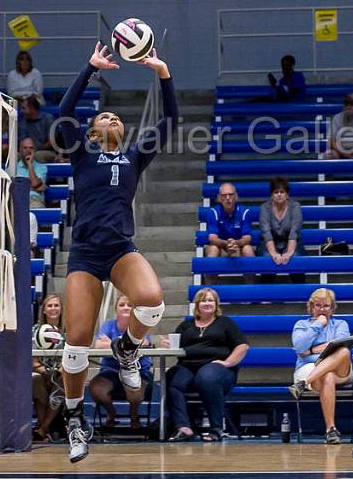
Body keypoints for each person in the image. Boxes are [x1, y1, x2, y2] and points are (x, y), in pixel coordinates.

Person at [55, 41, 177, 462]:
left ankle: (127, 348)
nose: (111, 117)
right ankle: (74, 420)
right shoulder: (82, 154)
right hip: (86, 254)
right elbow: (62, 114)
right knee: (76, 344)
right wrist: (89, 68)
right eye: (103, 115)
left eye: (115, 117)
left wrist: (162, 71)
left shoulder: (134, 158)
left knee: (152, 302)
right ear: (91, 132)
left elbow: (171, 120)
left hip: (120, 248)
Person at [167, 288, 249, 442]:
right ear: (197, 304)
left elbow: (242, 346)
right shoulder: (186, 325)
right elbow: (177, 346)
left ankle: (216, 429)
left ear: (216, 304)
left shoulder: (225, 323)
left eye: (210, 300)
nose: (207, 303)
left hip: (217, 367)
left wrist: (227, 363)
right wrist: (169, 346)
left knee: (206, 378)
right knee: (172, 379)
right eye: (203, 300)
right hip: (188, 365)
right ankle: (183, 427)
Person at [288, 288, 353, 444]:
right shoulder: (301, 325)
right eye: (318, 305)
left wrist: (310, 350)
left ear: (332, 308)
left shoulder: (341, 324)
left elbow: (338, 346)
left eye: (326, 306)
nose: (322, 309)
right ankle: (331, 430)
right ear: (311, 307)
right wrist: (317, 325)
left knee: (344, 351)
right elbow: (299, 347)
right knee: (327, 376)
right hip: (309, 367)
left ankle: (302, 383)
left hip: (340, 370)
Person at [90, 294, 155, 430]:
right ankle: (111, 413)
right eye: (122, 305)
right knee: (96, 388)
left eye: (130, 305)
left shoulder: (140, 326)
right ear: (116, 309)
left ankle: (134, 415)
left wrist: (113, 343)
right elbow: (99, 345)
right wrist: (127, 343)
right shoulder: (108, 325)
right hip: (111, 372)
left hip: (138, 371)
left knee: (134, 388)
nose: (126, 308)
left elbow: (146, 343)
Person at [31, 294, 65, 443]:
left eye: (56, 305)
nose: (53, 309)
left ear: (61, 309)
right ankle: (44, 428)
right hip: (42, 372)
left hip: (61, 373)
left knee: (62, 381)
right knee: (36, 380)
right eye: (49, 306)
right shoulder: (35, 330)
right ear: (43, 310)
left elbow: (72, 359)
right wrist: (46, 372)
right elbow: (33, 361)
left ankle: (43, 429)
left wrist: (58, 371)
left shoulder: (68, 330)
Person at [258, 177, 303, 271]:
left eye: (282, 192)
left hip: (291, 242)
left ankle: (298, 285)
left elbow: (294, 231)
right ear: (271, 195)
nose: (279, 194)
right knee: (268, 257)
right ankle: (266, 285)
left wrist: (289, 252)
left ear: (287, 194)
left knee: (294, 257)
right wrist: (274, 253)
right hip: (269, 243)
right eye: (276, 192)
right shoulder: (264, 208)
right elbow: (266, 233)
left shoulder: (295, 206)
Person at [205, 182, 255, 259]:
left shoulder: (245, 211)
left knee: (247, 249)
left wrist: (235, 243)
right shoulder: (213, 212)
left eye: (230, 195)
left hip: (238, 247)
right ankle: (211, 271)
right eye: (224, 195)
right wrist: (227, 244)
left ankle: (253, 271)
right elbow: (212, 238)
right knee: (213, 249)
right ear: (219, 198)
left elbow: (247, 238)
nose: (228, 198)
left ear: (236, 196)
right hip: (220, 247)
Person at [323, 92, 353, 159]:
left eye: (351, 104)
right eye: (346, 104)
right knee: (328, 154)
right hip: (340, 151)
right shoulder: (337, 118)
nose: (348, 107)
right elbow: (331, 140)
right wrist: (344, 153)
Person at [18, 97, 56, 163]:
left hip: (46, 151)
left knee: (36, 155)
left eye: (24, 108)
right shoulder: (22, 123)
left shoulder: (48, 118)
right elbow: (22, 142)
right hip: (27, 150)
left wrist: (34, 150)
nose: (21, 111)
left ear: (32, 108)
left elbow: (51, 143)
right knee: (15, 156)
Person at [17, 137, 48, 208]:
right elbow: (11, 189)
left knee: (36, 206)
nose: (28, 150)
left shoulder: (42, 168)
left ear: (34, 151)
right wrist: (36, 188)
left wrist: (30, 164)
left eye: (31, 148)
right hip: (17, 201)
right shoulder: (12, 167)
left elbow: (35, 183)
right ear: (20, 150)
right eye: (25, 148)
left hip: (35, 200)